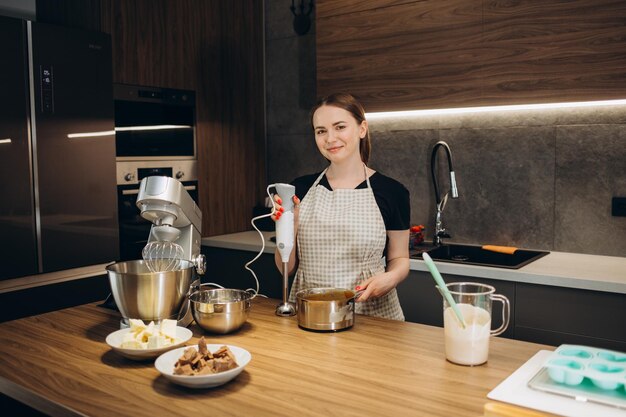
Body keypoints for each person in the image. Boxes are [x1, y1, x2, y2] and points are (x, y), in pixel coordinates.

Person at [272, 92, 410, 320]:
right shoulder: (299, 190)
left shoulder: (392, 192)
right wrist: (290, 225)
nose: (330, 138)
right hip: (312, 313)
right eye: (321, 131)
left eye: (340, 127)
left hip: (372, 314)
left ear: (362, 129)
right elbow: (285, 269)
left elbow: (400, 259)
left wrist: (390, 278)